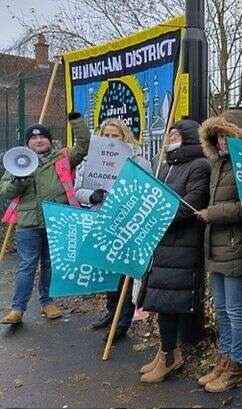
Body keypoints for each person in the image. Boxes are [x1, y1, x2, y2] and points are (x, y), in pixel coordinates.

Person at [137, 119, 211, 383]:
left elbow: (191, 204)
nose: (170, 137)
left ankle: (169, 357)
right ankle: (167, 352)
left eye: (176, 133)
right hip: (163, 244)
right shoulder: (166, 166)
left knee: (169, 303)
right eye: (169, 134)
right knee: (160, 301)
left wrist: (154, 215)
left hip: (182, 244)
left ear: (190, 137)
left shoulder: (199, 166)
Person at [0, 112, 90, 325]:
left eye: (42, 137)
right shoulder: (17, 162)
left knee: (49, 264)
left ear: (49, 140)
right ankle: (17, 308)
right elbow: (5, 191)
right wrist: (19, 180)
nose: (38, 140)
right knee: (27, 265)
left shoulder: (64, 157)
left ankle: (47, 302)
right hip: (28, 223)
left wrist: (76, 121)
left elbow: (84, 144)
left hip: (55, 220)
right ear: (28, 143)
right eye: (33, 138)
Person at [74, 118, 151, 341]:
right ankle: (111, 311)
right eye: (105, 135)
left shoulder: (137, 160)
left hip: (126, 222)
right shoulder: (91, 160)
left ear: (124, 136)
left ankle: (122, 320)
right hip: (102, 220)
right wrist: (91, 196)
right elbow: (78, 189)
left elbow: (147, 187)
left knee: (121, 273)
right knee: (107, 270)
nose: (109, 140)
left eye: (114, 135)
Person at [196, 111, 242, 393]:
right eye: (217, 136)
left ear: (238, 135)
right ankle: (224, 358)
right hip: (215, 247)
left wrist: (212, 214)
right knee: (221, 309)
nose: (221, 141)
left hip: (235, 247)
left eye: (226, 135)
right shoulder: (218, 164)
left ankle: (237, 366)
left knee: (235, 310)